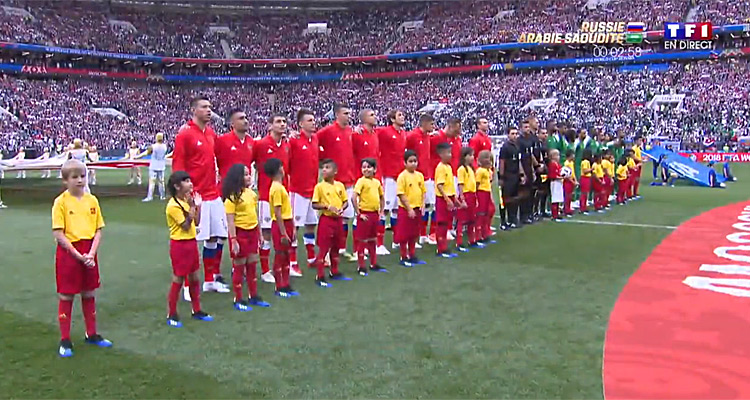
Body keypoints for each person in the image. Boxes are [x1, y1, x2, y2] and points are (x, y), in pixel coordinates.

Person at [52, 159, 112, 357]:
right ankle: (65, 339)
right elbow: (59, 234)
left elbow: (98, 230)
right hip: (70, 253)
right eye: (74, 177)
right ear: (65, 181)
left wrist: (91, 254)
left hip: (89, 252)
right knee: (67, 294)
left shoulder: (91, 200)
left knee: (89, 292)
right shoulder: (60, 202)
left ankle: (91, 333)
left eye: (82, 176)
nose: (79, 180)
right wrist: (78, 255)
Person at [173, 96, 230, 299]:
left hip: (212, 194)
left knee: (214, 236)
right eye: (204, 107)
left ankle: (209, 280)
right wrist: (183, 194)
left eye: (210, 107)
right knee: (192, 241)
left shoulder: (211, 134)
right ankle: (188, 286)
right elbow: (178, 166)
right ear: (193, 110)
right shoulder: (185, 134)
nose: (209, 110)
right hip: (195, 195)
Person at [165, 170, 214, 328]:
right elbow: (185, 225)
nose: (190, 183)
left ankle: (196, 309)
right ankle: (172, 313)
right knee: (179, 278)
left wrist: (195, 207)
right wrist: (193, 207)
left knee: (194, 277)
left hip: (191, 243)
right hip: (180, 245)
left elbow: (196, 222)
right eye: (186, 181)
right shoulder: (173, 205)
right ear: (177, 186)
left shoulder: (187, 201)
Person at [223, 164, 271, 311]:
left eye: (249, 174)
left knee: (252, 265)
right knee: (239, 266)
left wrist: (260, 234)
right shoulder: (231, 198)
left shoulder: (251, 194)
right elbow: (230, 221)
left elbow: (254, 215)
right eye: (245, 174)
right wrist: (234, 240)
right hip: (240, 233)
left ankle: (253, 295)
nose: (249, 177)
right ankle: (238, 298)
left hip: (252, 233)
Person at [252, 113, 291, 284]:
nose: (282, 124)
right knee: (266, 232)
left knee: (281, 230)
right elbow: (251, 162)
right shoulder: (260, 144)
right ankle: (265, 270)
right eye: (278, 121)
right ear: (270, 126)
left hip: (283, 194)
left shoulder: (287, 145)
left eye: (284, 121)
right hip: (266, 195)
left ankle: (281, 266)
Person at [316, 104, 357, 262]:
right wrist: (324, 161)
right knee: (330, 218)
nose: (348, 116)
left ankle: (340, 248)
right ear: (337, 115)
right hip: (332, 182)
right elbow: (313, 141)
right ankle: (324, 253)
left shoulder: (349, 131)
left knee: (345, 217)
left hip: (348, 180)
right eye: (345, 113)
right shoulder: (327, 131)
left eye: (349, 113)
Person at [288, 109, 320, 277]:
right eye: (309, 120)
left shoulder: (315, 138)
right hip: (297, 190)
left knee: (311, 224)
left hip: (312, 189)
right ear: (301, 124)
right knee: (294, 227)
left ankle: (311, 257)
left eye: (314, 119)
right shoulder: (293, 140)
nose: (313, 122)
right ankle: (292, 262)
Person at [311, 159, 352, 286]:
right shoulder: (319, 187)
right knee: (324, 248)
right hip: (326, 220)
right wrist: (327, 207)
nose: (324, 170)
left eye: (327, 167)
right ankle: (320, 275)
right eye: (323, 167)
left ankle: (334, 271)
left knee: (336, 246)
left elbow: (345, 201)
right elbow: (314, 204)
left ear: (335, 171)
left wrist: (342, 208)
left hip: (338, 220)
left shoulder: (339, 186)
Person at [352, 109, 385, 256]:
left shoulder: (376, 133)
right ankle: (357, 248)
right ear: (364, 118)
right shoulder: (357, 134)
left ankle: (372, 245)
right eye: (372, 115)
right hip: (361, 180)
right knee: (359, 215)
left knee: (373, 213)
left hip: (375, 179)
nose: (375, 116)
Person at [265, 158, 298, 298]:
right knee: (280, 255)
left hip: (287, 222)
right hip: (281, 224)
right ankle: (279, 286)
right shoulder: (277, 188)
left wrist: (293, 227)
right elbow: (277, 212)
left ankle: (285, 284)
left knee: (286, 255)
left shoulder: (279, 186)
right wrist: (284, 232)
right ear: (279, 169)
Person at [352, 158, 387, 276]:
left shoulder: (377, 183)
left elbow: (382, 197)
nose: (366, 169)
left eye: (368, 167)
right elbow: (354, 197)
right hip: (365, 214)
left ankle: (373, 263)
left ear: (375, 169)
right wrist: (358, 213)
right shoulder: (361, 181)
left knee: (373, 239)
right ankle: (361, 266)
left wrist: (381, 211)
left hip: (374, 214)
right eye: (363, 167)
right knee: (362, 240)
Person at [377, 109, 407, 250]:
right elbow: (370, 132)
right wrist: (359, 128)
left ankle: (396, 240)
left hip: (400, 175)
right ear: (392, 119)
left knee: (396, 209)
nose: (403, 117)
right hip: (388, 176)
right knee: (384, 209)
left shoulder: (403, 134)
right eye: (399, 115)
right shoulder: (385, 131)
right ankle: (379, 244)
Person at [406, 113, 436, 246]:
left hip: (427, 175)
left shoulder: (428, 137)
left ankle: (425, 235)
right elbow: (405, 151)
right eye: (431, 124)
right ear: (424, 123)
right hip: (415, 176)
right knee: (416, 207)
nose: (433, 126)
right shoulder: (413, 136)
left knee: (430, 205)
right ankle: (414, 235)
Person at [396, 150, 426, 267]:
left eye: (415, 161)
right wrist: (409, 208)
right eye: (410, 161)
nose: (413, 164)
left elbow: (423, 191)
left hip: (417, 208)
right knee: (404, 234)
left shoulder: (419, 175)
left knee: (414, 233)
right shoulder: (402, 176)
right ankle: (403, 256)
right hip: (406, 209)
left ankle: (412, 255)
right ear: (405, 163)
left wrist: (422, 204)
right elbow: (401, 193)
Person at [215, 109, 254, 182]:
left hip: (245, 190)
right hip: (226, 189)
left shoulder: (251, 142)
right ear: (232, 124)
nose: (245, 121)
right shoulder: (222, 141)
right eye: (241, 118)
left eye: (246, 118)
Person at [434, 142, 458, 258]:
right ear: (441, 154)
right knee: (442, 223)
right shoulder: (441, 168)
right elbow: (439, 185)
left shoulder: (449, 167)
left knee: (447, 222)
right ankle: (440, 248)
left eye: (450, 152)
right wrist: (447, 198)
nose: (450, 155)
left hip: (450, 197)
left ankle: (444, 246)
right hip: (443, 199)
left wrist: (454, 198)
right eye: (448, 153)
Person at [456, 147, 481, 252]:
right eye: (469, 155)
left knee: (472, 219)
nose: (472, 157)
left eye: (472, 155)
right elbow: (460, 184)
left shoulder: (471, 168)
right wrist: (462, 198)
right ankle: (459, 242)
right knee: (462, 220)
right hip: (466, 195)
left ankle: (472, 240)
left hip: (472, 195)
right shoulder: (462, 169)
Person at [498, 127, 523, 228]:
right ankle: (503, 221)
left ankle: (513, 219)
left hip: (515, 175)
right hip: (507, 176)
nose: (515, 136)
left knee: (514, 198)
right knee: (505, 199)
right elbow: (502, 162)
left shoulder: (517, 147)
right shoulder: (505, 147)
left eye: (516, 133)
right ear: (508, 135)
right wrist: (501, 177)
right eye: (512, 133)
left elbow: (519, 161)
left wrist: (521, 174)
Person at [518, 119, 538, 225]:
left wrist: (534, 169)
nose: (527, 129)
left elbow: (530, 155)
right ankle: (522, 216)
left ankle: (529, 214)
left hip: (529, 169)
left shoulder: (530, 140)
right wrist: (522, 173)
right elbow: (519, 158)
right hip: (523, 169)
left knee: (531, 193)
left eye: (528, 127)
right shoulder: (519, 141)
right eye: (525, 127)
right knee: (523, 194)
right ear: (521, 128)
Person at [139, 133, 168, 202]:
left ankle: (150, 197)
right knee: (161, 182)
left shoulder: (153, 146)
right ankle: (162, 196)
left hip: (154, 166)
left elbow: (145, 153)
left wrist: (137, 157)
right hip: (161, 166)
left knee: (152, 182)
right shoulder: (165, 146)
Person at [475, 150, 495, 243]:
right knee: (481, 213)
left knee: (489, 211)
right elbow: (477, 183)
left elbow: (490, 183)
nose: (489, 162)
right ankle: (479, 234)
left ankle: (485, 231)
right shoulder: (480, 171)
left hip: (487, 192)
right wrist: (476, 195)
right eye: (487, 159)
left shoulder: (489, 171)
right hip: (481, 193)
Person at [548, 149, 564, 221]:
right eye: (557, 155)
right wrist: (560, 177)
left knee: (558, 199)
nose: (558, 157)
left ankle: (557, 213)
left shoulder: (558, 164)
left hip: (559, 182)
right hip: (555, 183)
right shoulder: (552, 164)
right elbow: (552, 175)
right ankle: (554, 214)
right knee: (555, 199)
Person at [563, 149, 577, 216]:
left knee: (570, 195)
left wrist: (575, 180)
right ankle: (566, 209)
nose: (574, 156)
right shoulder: (566, 163)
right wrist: (572, 181)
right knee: (567, 195)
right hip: (568, 181)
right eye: (573, 155)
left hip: (572, 181)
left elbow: (573, 173)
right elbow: (567, 175)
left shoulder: (571, 163)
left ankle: (569, 208)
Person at [579, 150, 593, 215]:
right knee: (584, 193)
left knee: (585, 193)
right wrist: (591, 169)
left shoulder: (587, 162)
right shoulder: (585, 162)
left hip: (587, 178)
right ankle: (582, 207)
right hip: (585, 178)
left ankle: (584, 207)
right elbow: (585, 171)